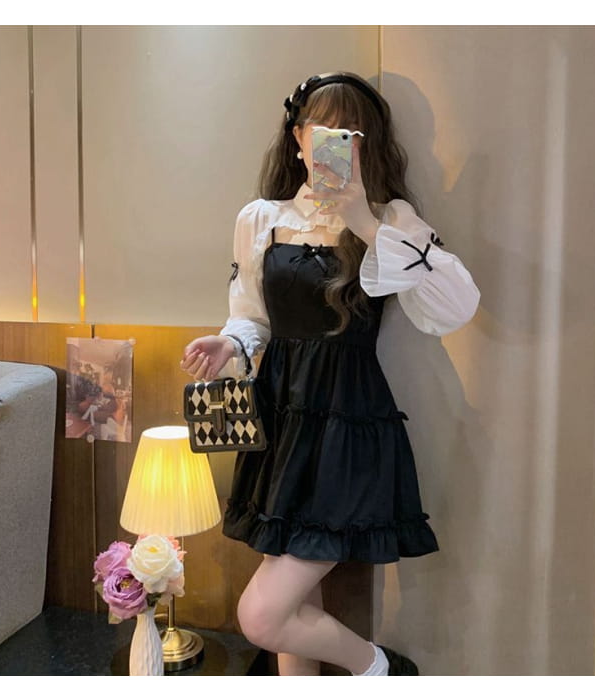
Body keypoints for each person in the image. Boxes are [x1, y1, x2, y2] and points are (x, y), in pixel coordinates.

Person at [179, 71, 480, 676]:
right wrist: (229, 343)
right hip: (282, 417)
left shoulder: (391, 220)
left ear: (369, 145)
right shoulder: (262, 218)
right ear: (298, 138)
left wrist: (364, 220)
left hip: (348, 422)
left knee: (262, 615)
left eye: (353, 134)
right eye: (323, 131)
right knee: (294, 602)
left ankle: (379, 671)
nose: (338, 145)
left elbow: (454, 308)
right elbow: (252, 316)